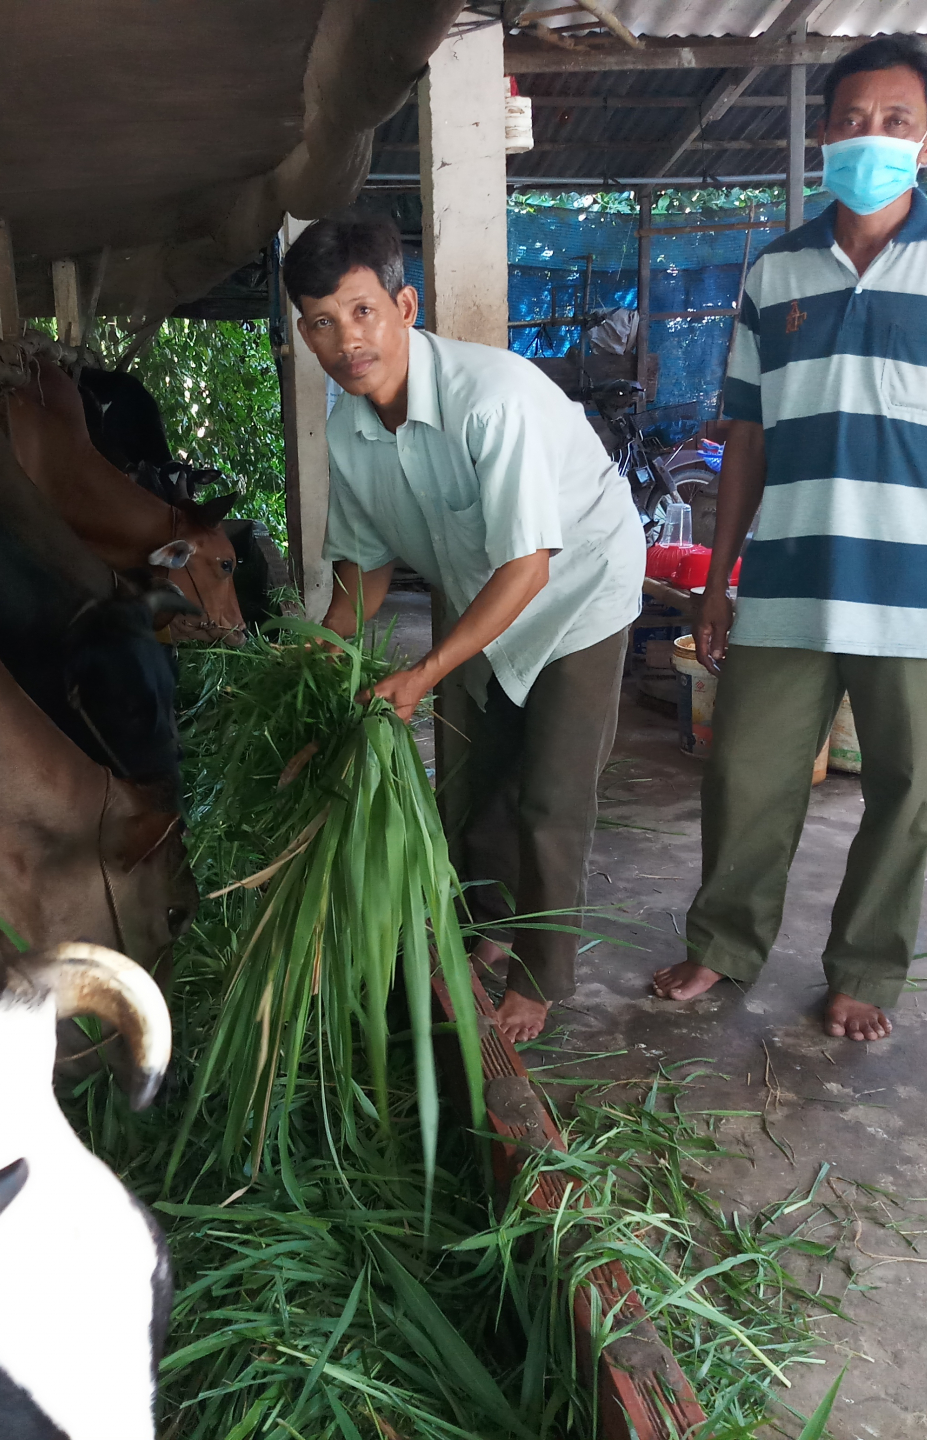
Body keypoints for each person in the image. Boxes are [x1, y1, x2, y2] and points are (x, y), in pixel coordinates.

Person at [651, 35, 927, 1041]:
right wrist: (718, 582)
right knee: (745, 777)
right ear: (824, 133)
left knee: (905, 794)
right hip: (786, 579)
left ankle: (864, 967)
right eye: (853, 120)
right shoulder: (777, 272)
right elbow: (745, 439)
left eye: (896, 123)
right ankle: (723, 943)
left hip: (921, 591)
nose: (872, 138)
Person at [282, 215, 647, 1043]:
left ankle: (542, 975)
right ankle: (488, 929)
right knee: (474, 780)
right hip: (478, 585)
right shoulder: (348, 426)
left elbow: (531, 570)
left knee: (551, 792)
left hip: (576, 586)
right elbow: (364, 566)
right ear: (305, 335)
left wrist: (423, 672)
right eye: (322, 323)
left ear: (404, 304)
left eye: (363, 311)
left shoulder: (494, 400)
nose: (347, 341)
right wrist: (323, 645)